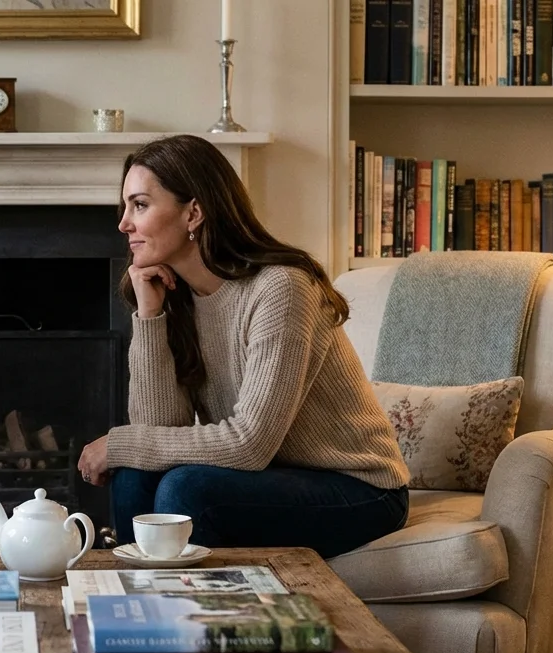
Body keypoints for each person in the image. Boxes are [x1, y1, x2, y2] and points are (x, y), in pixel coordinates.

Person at [76, 134, 409, 560]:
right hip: (271, 477)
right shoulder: (177, 296)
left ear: (193, 212)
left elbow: (250, 443)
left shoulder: (280, 288)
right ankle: (143, 608)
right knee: (135, 474)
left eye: (139, 205)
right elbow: (162, 429)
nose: (124, 223)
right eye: (126, 207)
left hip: (359, 489)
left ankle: (194, 618)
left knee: (185, 487)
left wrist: (118, 444)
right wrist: (150, 316)